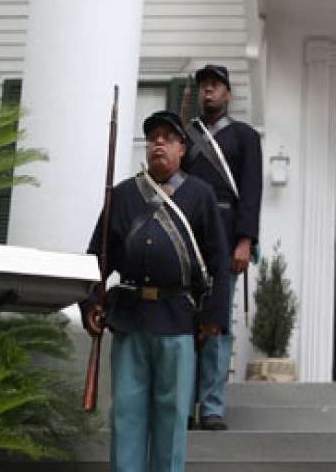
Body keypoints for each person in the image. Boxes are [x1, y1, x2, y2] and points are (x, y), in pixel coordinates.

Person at [80, 110, 231, 472]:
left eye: (168, 137)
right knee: (127, 415)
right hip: (130, 319)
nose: (158, 143)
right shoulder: (123, 195)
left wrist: (213, 317)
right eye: (153, 138)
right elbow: (96, 259)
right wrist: (89, 303)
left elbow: (218, 260)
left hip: (178, 319)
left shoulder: (201, 195)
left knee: (172, 418)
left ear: (182, 149)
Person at [182, 63, 264, 431]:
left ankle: (212, 405)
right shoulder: (185, 135)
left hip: (226, 237)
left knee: (218, 324)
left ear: (228, 93)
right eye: (204, 86)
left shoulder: (245, 136)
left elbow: (251, 189)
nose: (208, 91)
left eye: (215, 86)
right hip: (187, 236)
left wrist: (245, 240)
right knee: (184, 323)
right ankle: (183, 405)